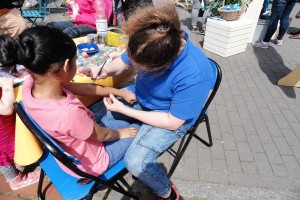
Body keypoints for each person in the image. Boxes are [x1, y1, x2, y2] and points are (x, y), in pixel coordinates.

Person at [80, 3, 215, 199]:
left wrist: (126, 111)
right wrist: (104, 70)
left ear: (164, 64)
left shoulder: (194, 73)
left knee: (135, 162)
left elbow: (173, 121)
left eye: (140, 67)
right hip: (141, 97)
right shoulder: (152, 40)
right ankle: (132, 132)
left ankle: (167, 192)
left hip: (169, 115)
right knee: (91, 117)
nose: (133, 66)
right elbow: (122, 62)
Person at [0, 26, 139, 178]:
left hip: (75, 147)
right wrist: (119, 134)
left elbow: (88, 89)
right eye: (75, 60)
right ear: (66, 66)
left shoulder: (31, 85)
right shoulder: (68, 113)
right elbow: (103, 135)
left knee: (125, 122)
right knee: (136, 128)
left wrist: (119, 92)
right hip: (93, 162)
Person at [0, 76, 40, 190]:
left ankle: (16, 159)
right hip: (1, 135)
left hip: (5, 126)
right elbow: (5, 109)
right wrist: (7, 85)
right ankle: (16, 180)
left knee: (11, 145)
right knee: (3, 157)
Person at [47, 0, 112, 38]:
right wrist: (71, 5)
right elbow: (74, 12)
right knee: (51, 26)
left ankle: (58, 52)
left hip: (95, 26)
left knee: (69, 32)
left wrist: (78, 18)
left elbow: (99, 19)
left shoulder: (101, 1)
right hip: (78, 22)